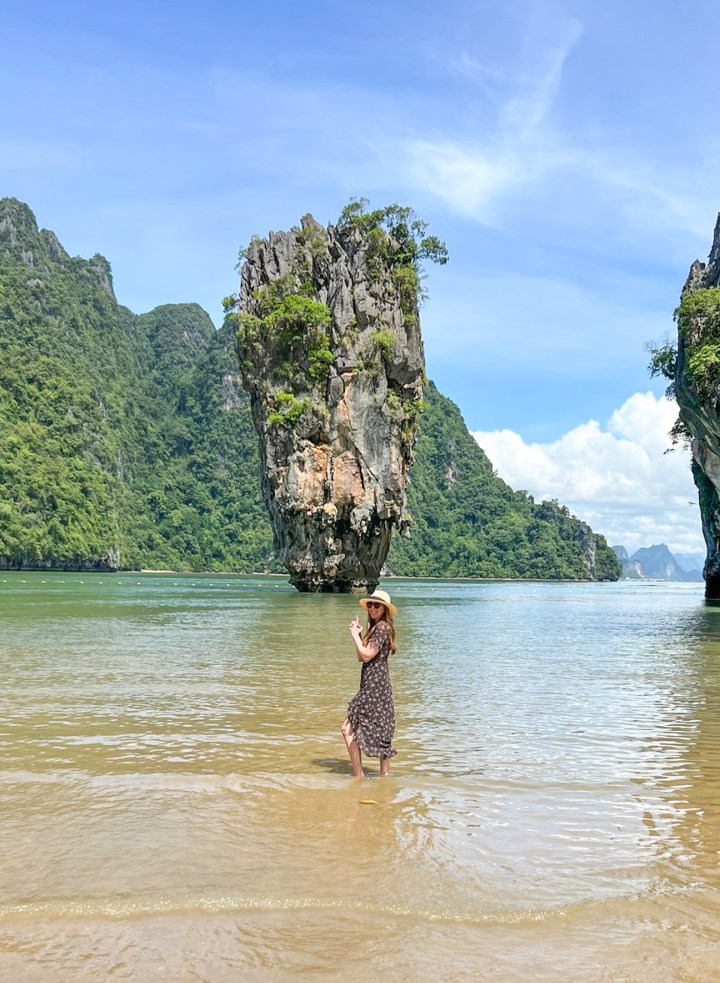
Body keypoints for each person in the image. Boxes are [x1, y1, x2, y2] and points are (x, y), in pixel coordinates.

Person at [341, 588, 397, 778]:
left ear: (384, 609)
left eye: (377, 605)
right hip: (375, 684)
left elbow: (366, 656)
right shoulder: (376, 629)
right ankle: (384, 778)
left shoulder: (382, 628)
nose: (373, 608)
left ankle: (358, 774)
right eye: (370, 605)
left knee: (347, 728)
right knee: (382, 727)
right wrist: (359, 636)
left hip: (375, 685)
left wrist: (355, 636)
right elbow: (361, 657)